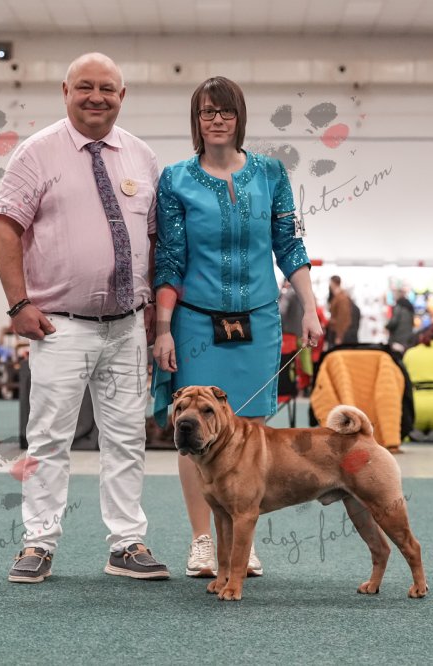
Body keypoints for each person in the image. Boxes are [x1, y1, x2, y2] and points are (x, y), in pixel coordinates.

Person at [0, 52, 168, 583]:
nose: (97, 97)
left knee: (127, 438)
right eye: (85, 87)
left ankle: (127, 543)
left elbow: (156, 239)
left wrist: (154, 315)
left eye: (107, 88)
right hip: (59, 324)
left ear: (122, 95)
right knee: (49, 439)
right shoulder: (35, 153)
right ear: (65, 91)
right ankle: (38, 542)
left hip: (127, 326)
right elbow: (5, 229)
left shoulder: (142, 157)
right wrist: (19, 304)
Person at [152, 76, 322, 579]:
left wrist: (310, 308)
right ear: (196, 120)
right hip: (196, 324)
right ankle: (202, 541)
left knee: (252, 434)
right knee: (192, 432)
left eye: (225, 111)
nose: (217, 120)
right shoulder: (175, 179)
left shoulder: (271, 173)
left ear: (240, 117)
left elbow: (289, 245)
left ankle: (242, 539)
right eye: (207, 112)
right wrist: (163, 328)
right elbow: (170, 260)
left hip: (260, 321)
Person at [326, 275, 355, 348]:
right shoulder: (337, 296)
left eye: (330, 283)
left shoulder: (341, 298)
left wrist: (339, 336)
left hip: (337, 332)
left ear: (334, 283)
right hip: (334, 331)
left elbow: (342, 318)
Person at [385, 288, 416, 353]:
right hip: (408, 336)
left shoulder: (398, 307)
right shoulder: (409, 306)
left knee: (396, 355)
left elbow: (394, 322)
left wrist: (387, 326)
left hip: (398, 337)